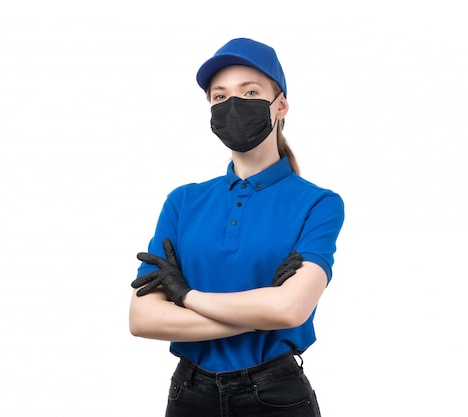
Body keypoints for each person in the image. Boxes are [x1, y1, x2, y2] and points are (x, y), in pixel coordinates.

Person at [129, 37, 345, 417]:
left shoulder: (319, 203)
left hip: (274, 394)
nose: (233, 104)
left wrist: (186, 295)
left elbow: (290, 311)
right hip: (188, 393)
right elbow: (142, 318)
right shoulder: (183, 201)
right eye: (219, 96)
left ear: (280, 105)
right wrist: (260, 313)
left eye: (249, 91)